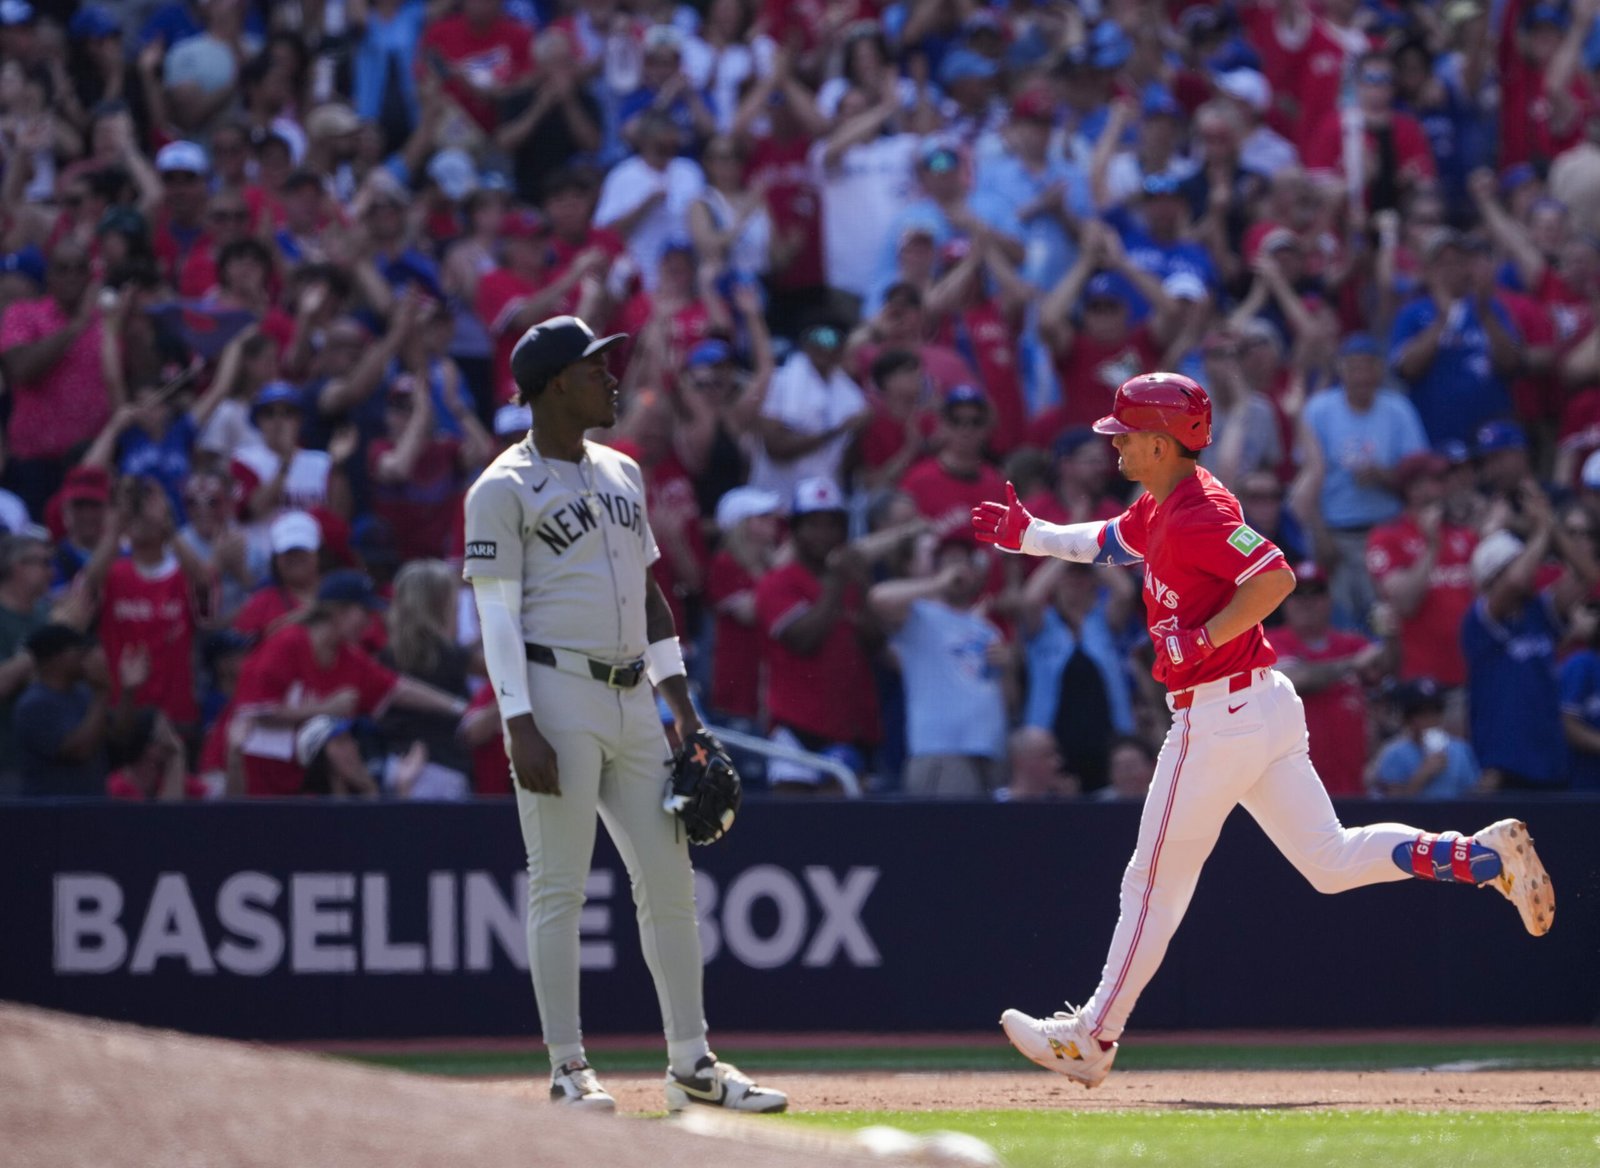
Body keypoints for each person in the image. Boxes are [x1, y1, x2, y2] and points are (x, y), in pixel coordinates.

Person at [972, 371, 1555, 1090]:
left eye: (1125, 433)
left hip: (1220, 715)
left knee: (1151, 883)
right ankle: (1477, 858)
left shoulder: (1196, 512)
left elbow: (1275, 578)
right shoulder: (1169, 503)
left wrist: (1207, 638)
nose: (1116, 443)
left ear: (1160, 442)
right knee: (1330, 861)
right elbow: (1110, 543)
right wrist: (1032, 535)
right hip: (1259, 707)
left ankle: (1094, 1034)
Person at [461, 314, 786, 1113]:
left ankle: (692, 1065)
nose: (613, 377)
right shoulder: (500, 487)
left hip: (633, 694)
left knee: (670, 883)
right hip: (554, 692)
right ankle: (569, 1069)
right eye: (595, 367)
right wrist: (518, 721)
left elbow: (650, 598)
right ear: (552, 386)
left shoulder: (622, 472)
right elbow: (496, 619)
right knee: (559, 889)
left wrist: (685, 711)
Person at [867, 536, 1010, 798]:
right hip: (941, 751)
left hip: (989, 751)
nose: (958, 570)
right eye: (950, 562)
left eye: (964, 562)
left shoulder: (988, 630)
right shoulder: (920, 616)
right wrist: (938, 583)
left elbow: (1007, 699)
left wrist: (1006, 667)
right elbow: (878, 598)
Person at [1270, 562, 1386, 798]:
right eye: (1297, 594)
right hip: (1295, 786)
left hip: (1352, 781)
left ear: (1329, 599)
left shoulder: (1351, 643)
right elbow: (1293, 678)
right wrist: (1352, 664)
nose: (1307, 602)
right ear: (1284, 600)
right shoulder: (1270, 641)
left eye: (1316, 593)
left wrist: (1391, 632)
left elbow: (1383, 669)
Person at [1368, 677, 1482, 799]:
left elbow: (1472, 795)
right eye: (1423, 714)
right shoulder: (1395, 754)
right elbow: (1393, 805)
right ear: (1408, 719)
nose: (1432, 720)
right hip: (1412, 817)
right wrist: (1423, 774)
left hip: (1453, 817)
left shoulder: (1460, 750)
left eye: (1436, 711)